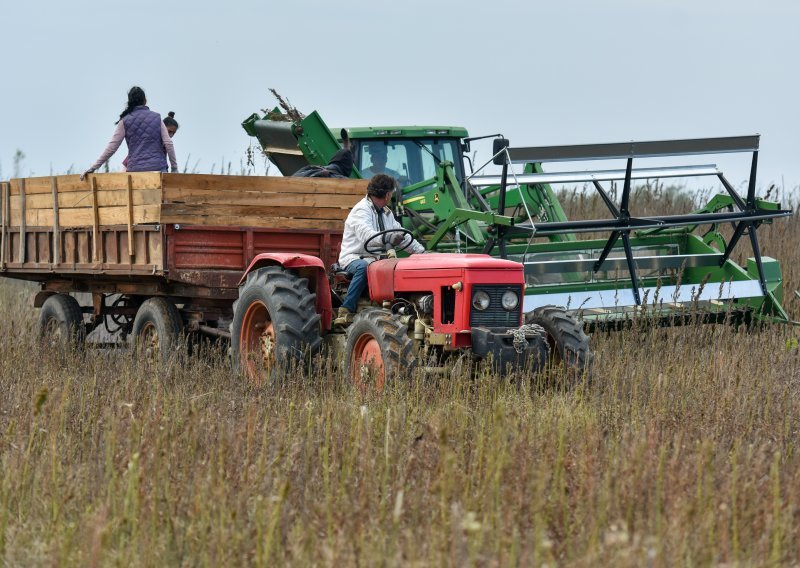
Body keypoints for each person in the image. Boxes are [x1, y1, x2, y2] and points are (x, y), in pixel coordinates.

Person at [334, 174, 426, 327]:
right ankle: (346, 309)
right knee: (363, 268)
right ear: (388, 194)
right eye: (391, 193)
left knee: (400, 267)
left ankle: (399, 309)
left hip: (376, 260)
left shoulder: (386, 213)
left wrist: (422, 254)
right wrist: (387, 239)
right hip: (354, 257)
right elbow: (367, 235)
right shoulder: (361, 211)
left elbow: (401, 233)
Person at [81, 86, 177, 180]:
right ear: (145, 100)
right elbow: (168, 144)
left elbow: (112, 147)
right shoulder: (156, 117)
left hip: (135, 171)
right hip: (158, 168)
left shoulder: (125, 121)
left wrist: (93, 167)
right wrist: (174, 169)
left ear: (130, 102)